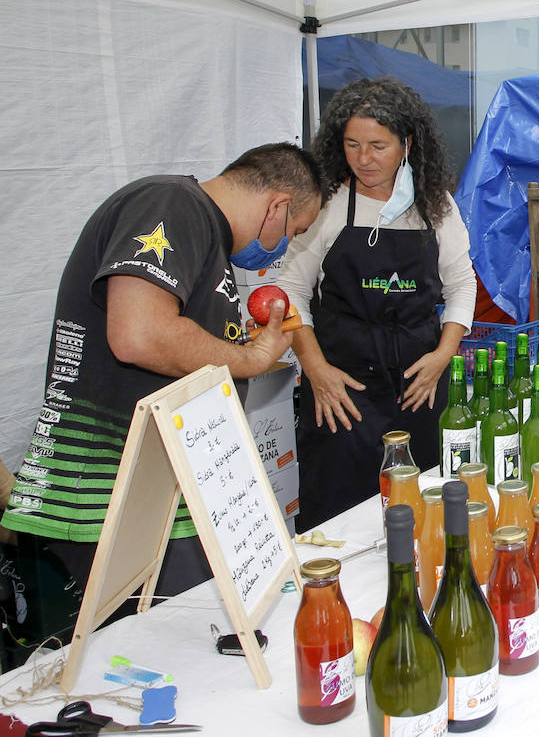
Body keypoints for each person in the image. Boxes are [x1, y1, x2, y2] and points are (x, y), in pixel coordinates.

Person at [1, 143, 324, 641]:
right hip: (109, 489)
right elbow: (139, 333)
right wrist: (249, 359)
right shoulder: (172, 205)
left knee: (188, 648)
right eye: (295, 232)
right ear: (277, 206)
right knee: (156, 653)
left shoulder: (206, 240)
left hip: (160, 490)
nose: (286, 247)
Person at [277, 77, 477, 530]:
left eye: (377, 145)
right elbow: (291, 291)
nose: (363, 159)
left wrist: (441, 357)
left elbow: (462, 285)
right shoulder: (328, 203)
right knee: (339, 513)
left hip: (419, 383)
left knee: (421, 508)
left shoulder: (434, 204)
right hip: (342, 388)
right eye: (352, 144)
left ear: (407, 143)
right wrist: (315, 370)